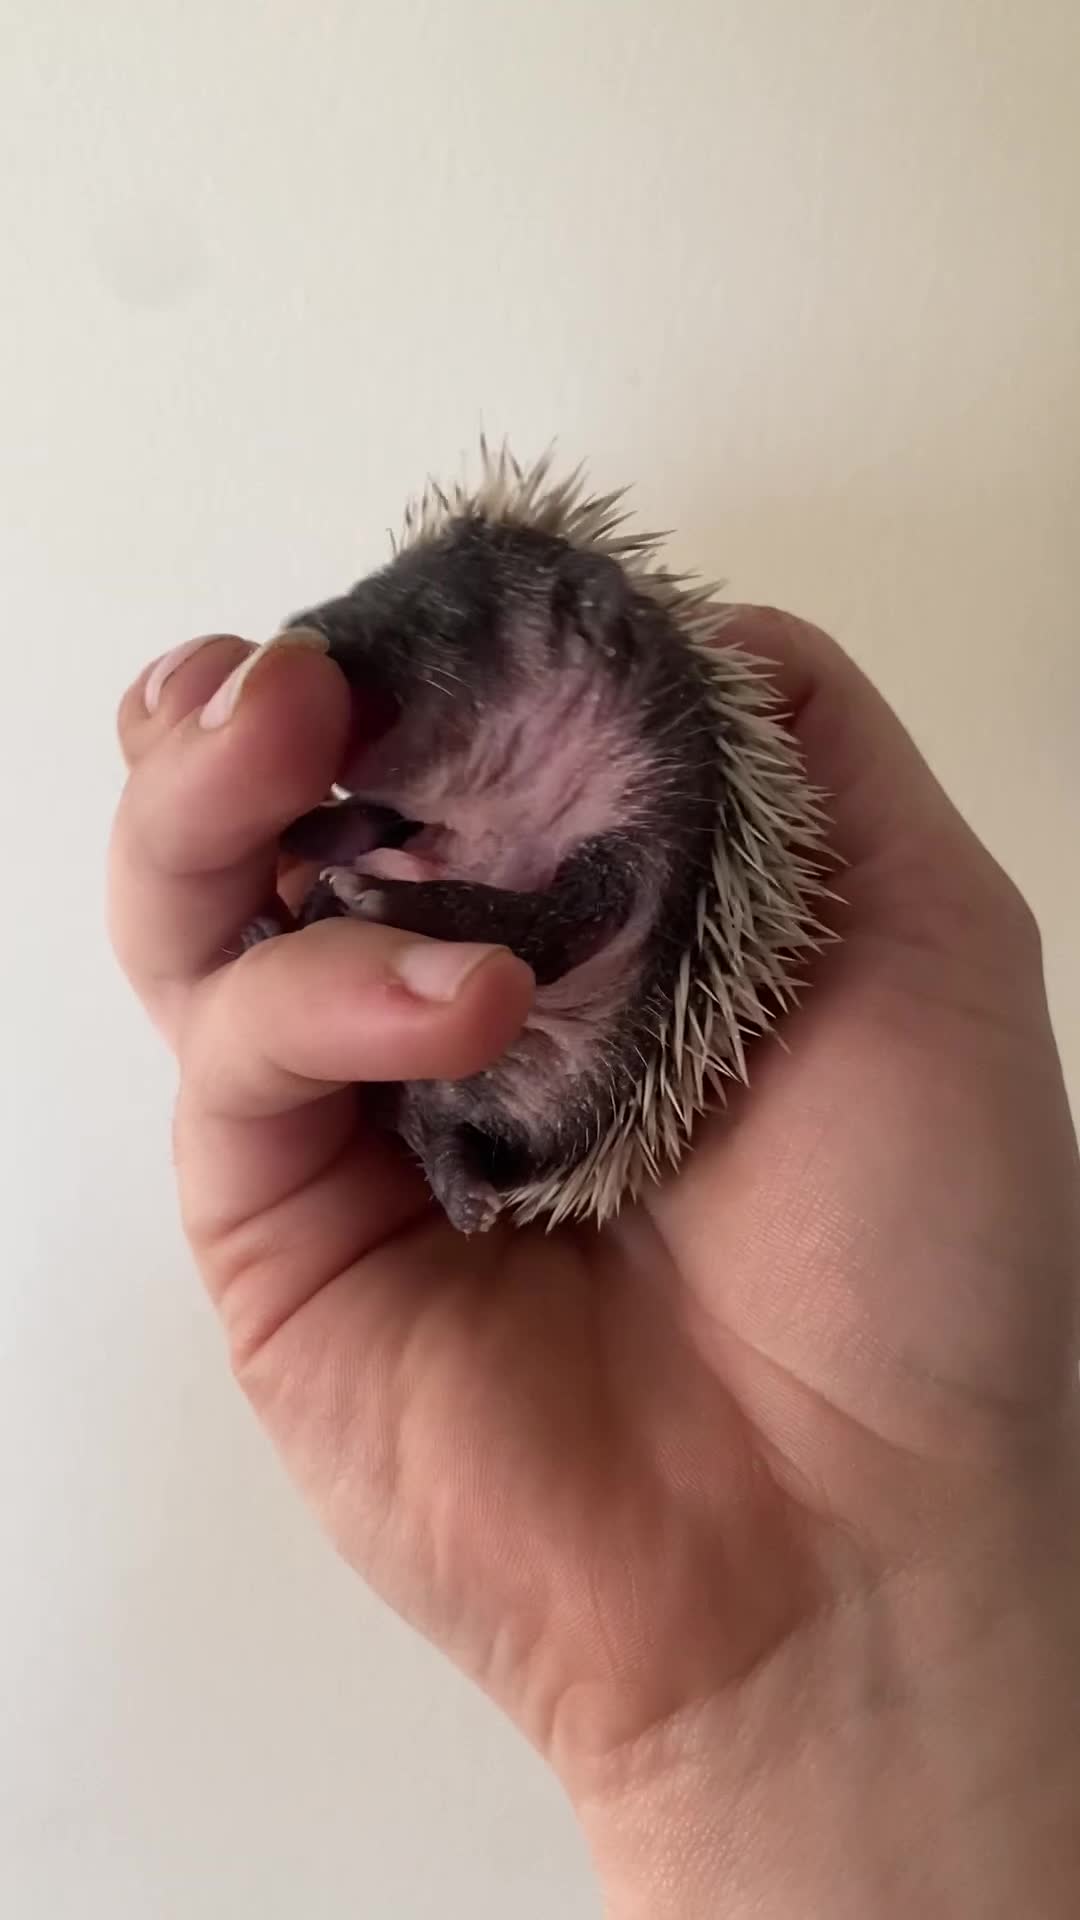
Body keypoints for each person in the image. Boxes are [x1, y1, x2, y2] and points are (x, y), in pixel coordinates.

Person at [108, 607, 1080, 1917]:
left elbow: (590, 900)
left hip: (561, 1033)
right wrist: (754, 1729)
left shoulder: (631, 762)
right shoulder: (534, 755)